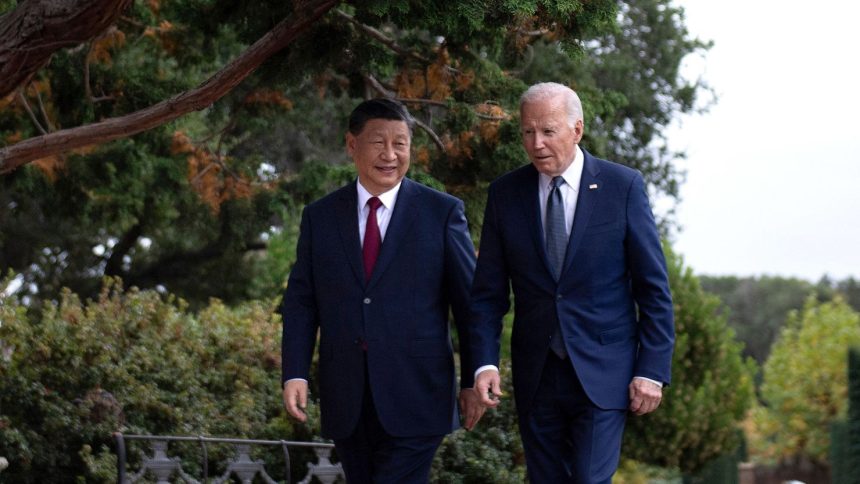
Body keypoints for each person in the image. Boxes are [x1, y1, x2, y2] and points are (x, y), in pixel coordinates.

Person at [469, 82, 675, 483]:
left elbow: (653, 289)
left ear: (576, 129)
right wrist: (484, 362)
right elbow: (487, 296)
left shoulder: (623, 187)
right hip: (536, 374)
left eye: (548, 131)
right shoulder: (505, 194)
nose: (537, 143)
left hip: (604, 372)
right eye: (528, 132)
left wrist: (652, 369)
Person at [280, 98, 484, 483]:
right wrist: (295, 373)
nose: (390, 154)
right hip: (347, 399)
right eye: (378, 142)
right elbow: (301, 303)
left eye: (401, 143)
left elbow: (470, 304)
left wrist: (475, 377)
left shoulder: (441, 213)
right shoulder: (320, 217)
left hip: (419, 396)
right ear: (352, 145)